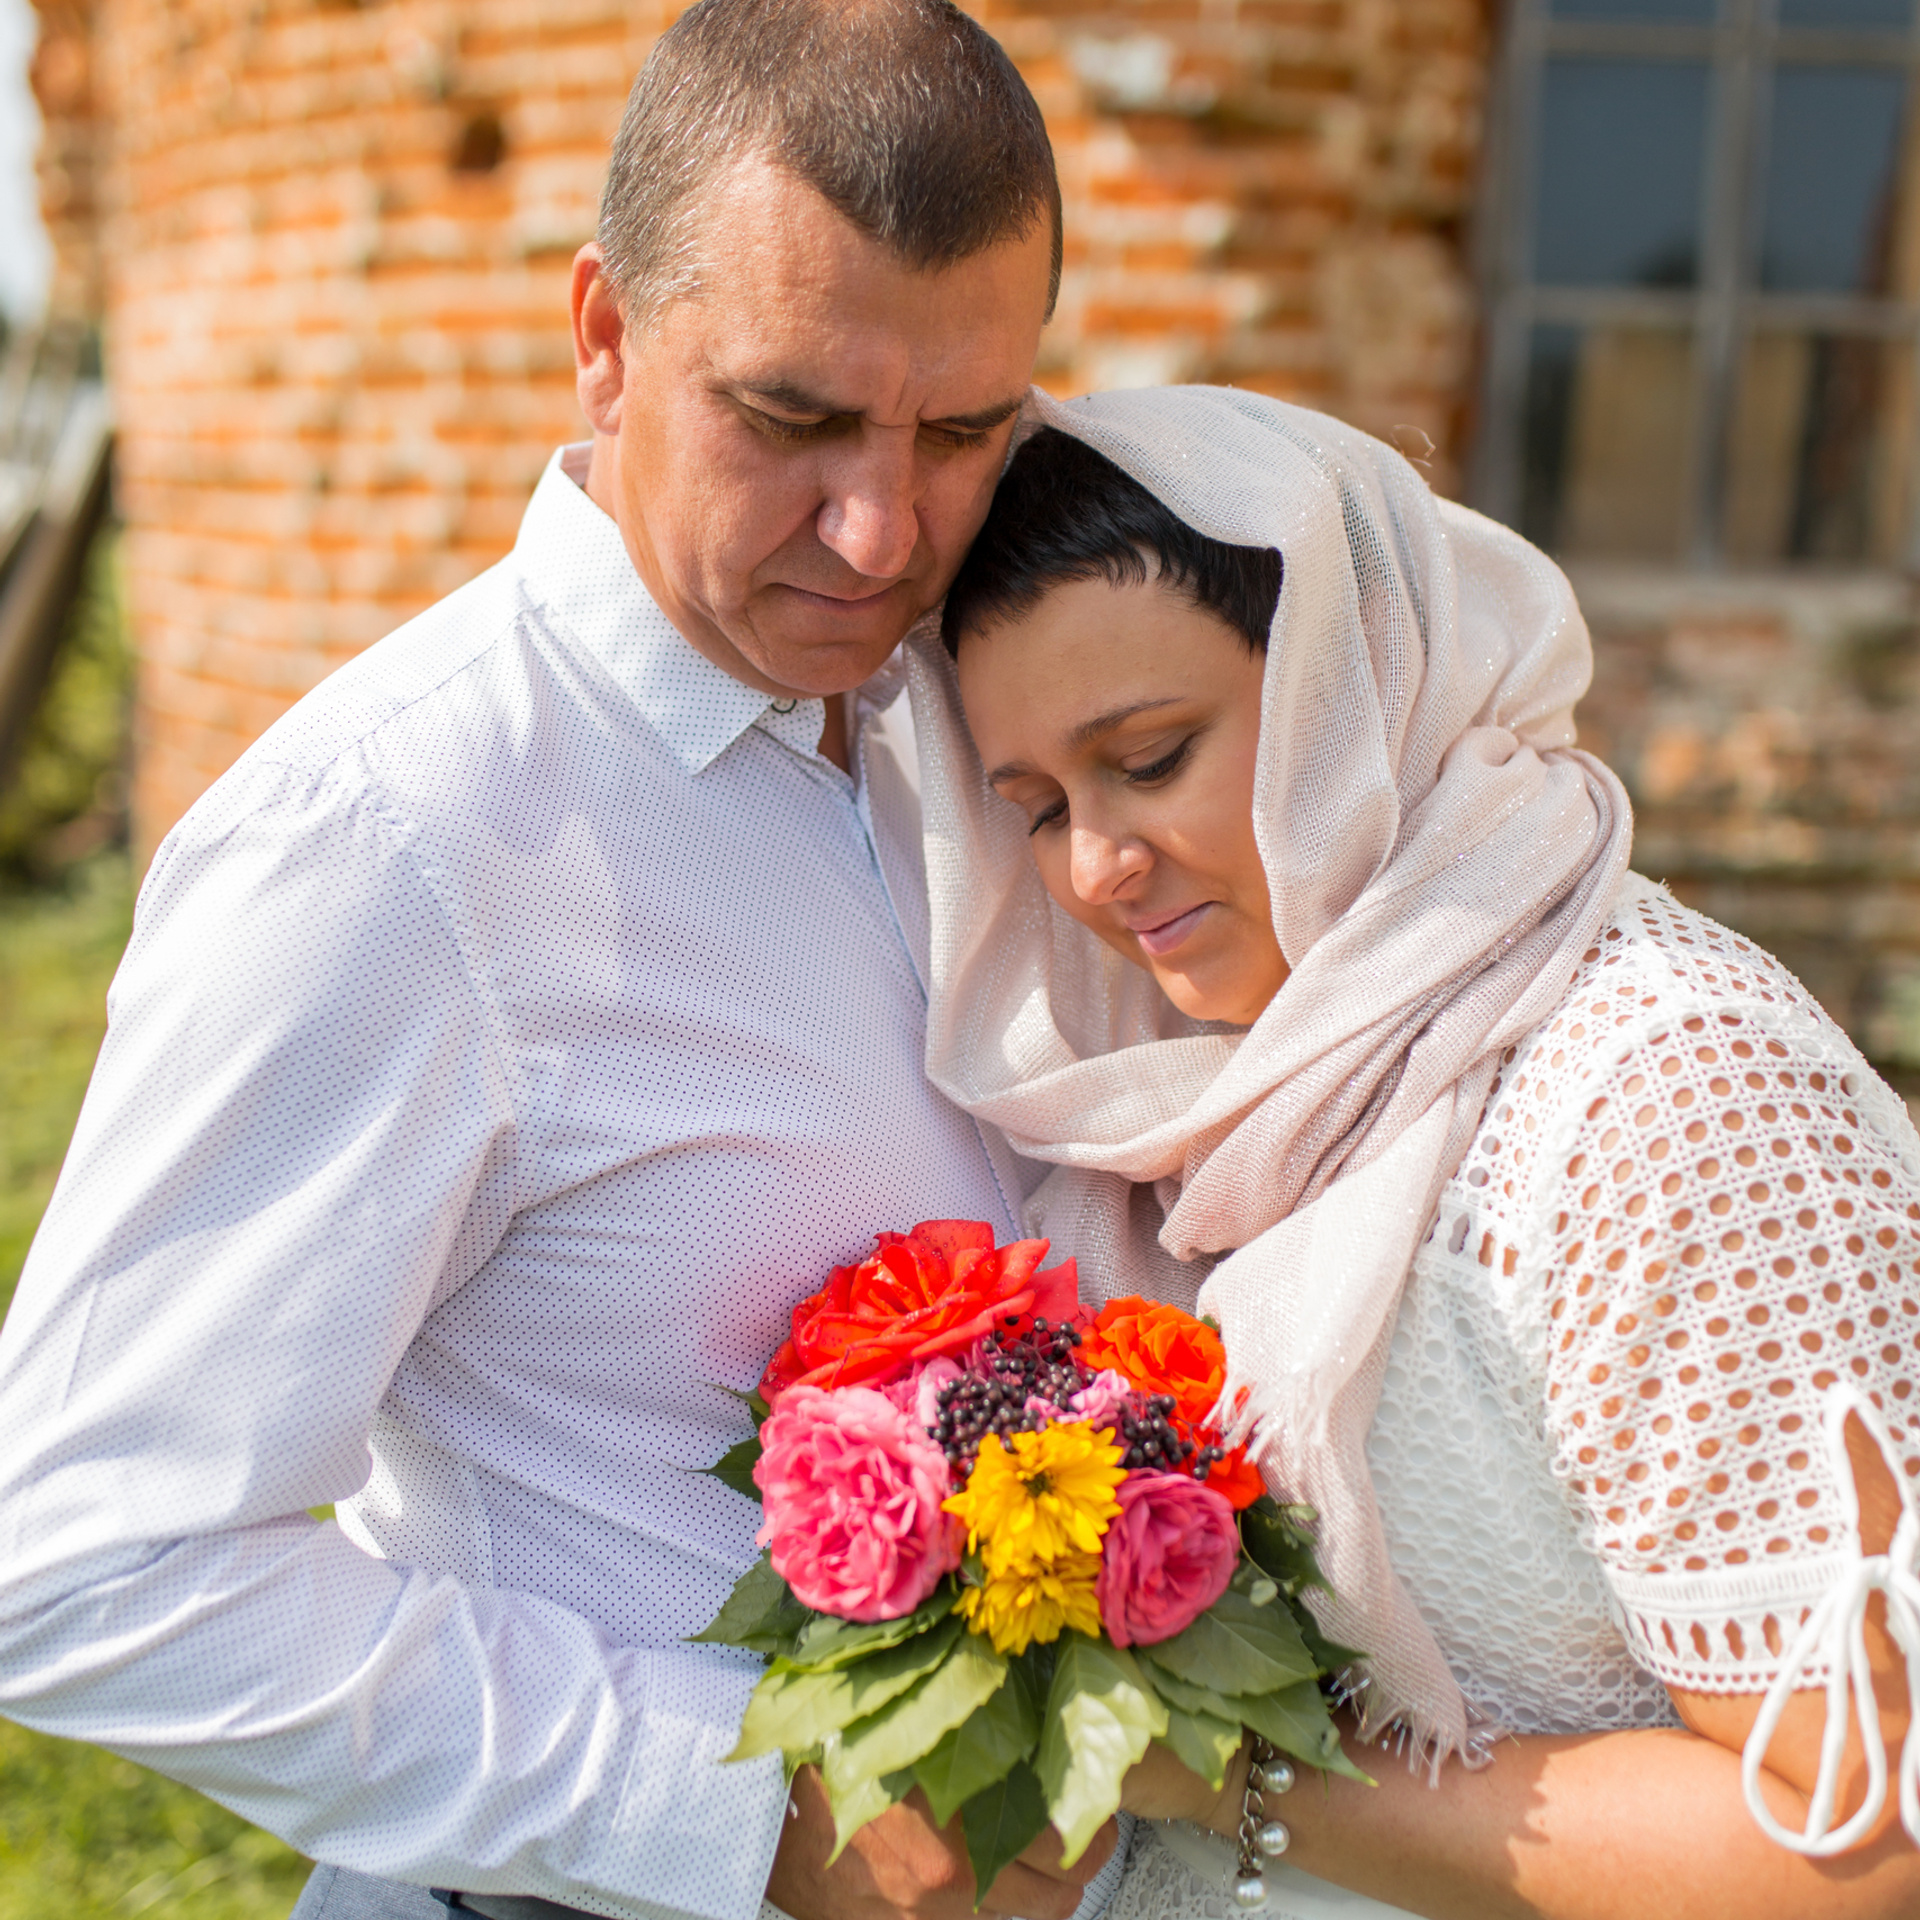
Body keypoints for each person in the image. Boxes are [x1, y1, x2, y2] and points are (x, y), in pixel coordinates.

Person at [0, 7, 1125, 1919]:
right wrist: (750, 1823)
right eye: (788, 419)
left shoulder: (1003, 702)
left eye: (962, 432)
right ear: (602, 340)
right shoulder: (384, 844)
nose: (882, 530)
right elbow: (85, 1560)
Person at [914, 387, 1920, 1919]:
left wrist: (1221, 1762)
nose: (1096, 867)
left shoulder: (1672, 1102)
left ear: (1354, 684)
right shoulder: (1187, 1114)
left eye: (1155, 755)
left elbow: (1868, 1839)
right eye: (1040, 807)